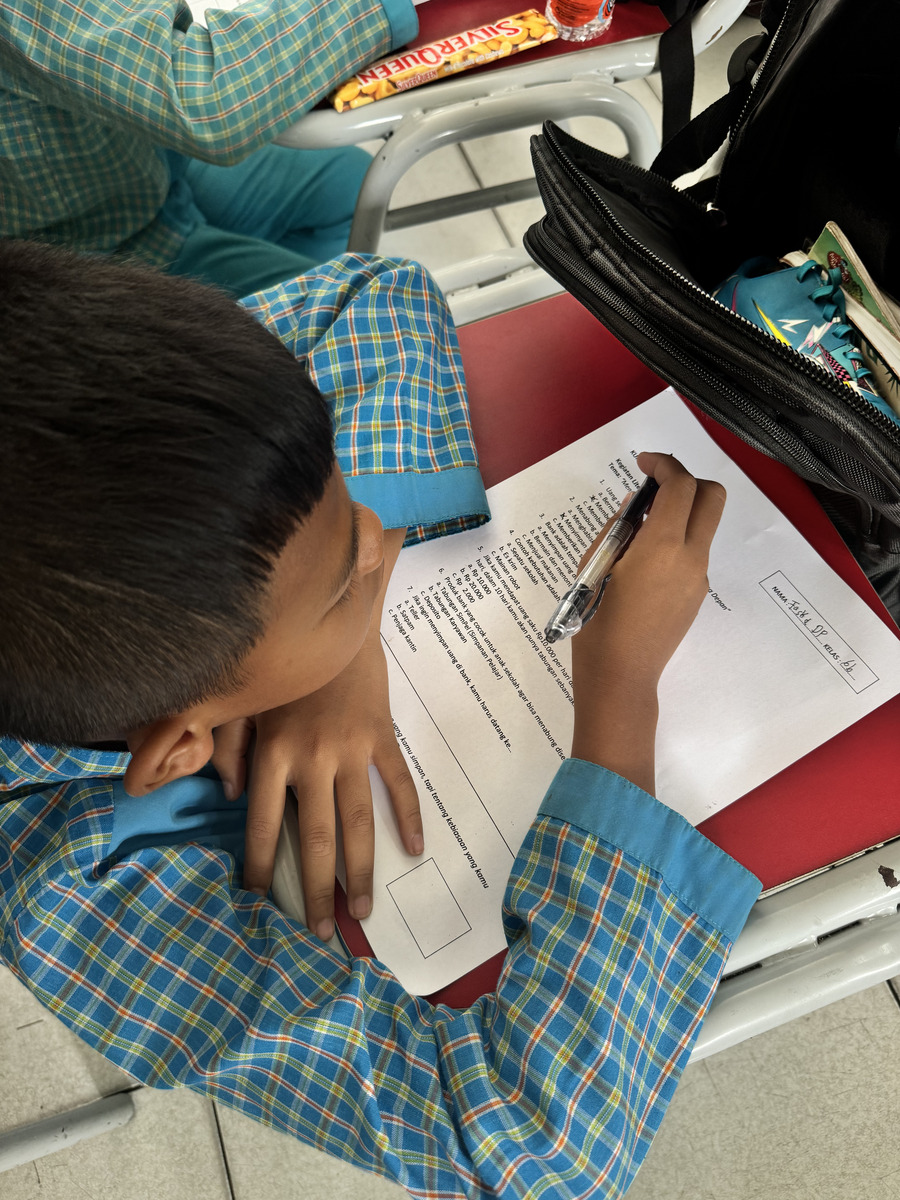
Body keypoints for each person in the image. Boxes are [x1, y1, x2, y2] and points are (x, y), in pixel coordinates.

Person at [0, 239, 761, 1198]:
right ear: (180, 746)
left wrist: (336, 652)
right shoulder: (76, 905)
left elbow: (375, 293)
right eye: (342, 584)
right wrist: (619, 694)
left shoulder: (104, 421)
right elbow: (539, 1149)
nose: (378, 535)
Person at [0, 0, 419, 296]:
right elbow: (209, 104)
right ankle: (277, 344)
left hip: (137, 164)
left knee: (352, 186)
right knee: (368, 316)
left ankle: (273, 310)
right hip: (88, 248)